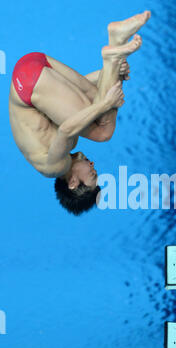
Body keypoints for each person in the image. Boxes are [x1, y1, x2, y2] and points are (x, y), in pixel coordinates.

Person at [9, 11, 151, 216]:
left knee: (103, 131)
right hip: (33, 64)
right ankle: (116, 45)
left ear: (74, 182)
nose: (93, 165)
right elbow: (66, 95)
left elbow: (66, 129)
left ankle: (115, 45)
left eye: (92, 174)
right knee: (97, 98)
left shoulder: (54, 167)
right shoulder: (68, 148)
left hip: (28, 83)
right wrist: (110, 75)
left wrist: (105, 104)